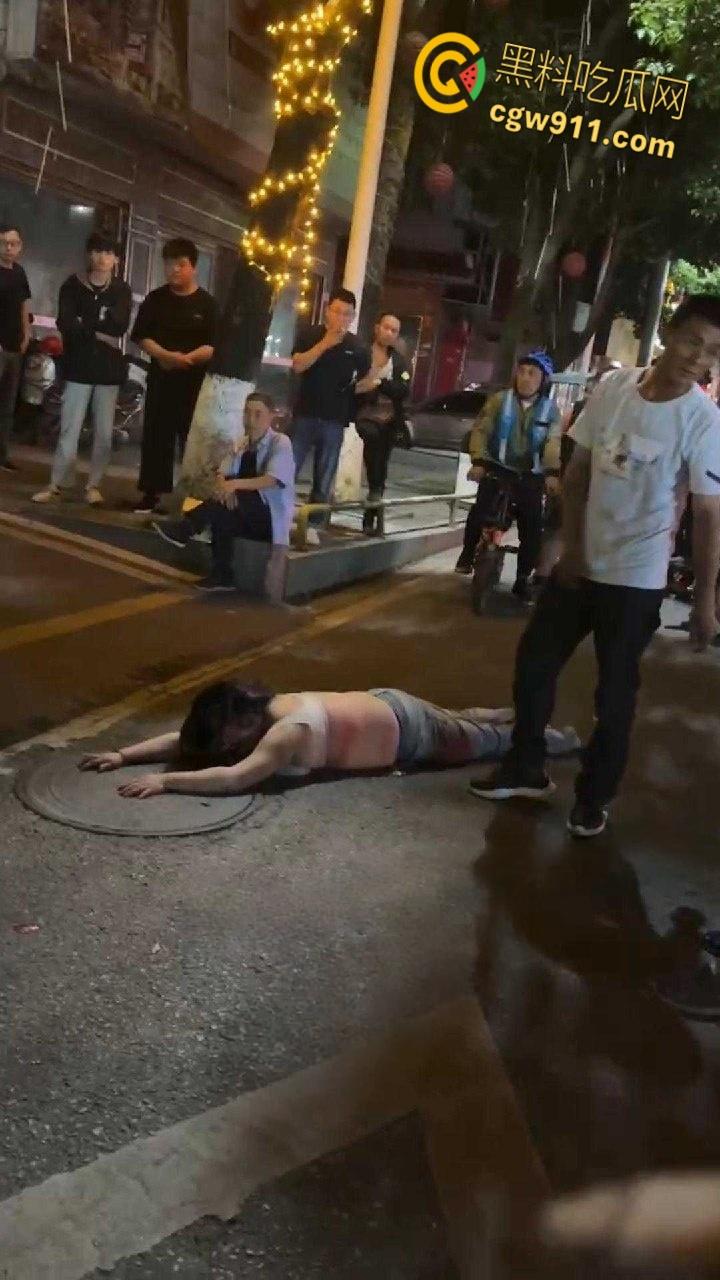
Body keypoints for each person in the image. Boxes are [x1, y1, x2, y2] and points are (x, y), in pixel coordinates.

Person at [471, 295, 720, 838]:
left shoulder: (703, 420)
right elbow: (579, 471)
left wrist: (705, 601)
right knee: (535, 662)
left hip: (637, 579)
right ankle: (526, 768)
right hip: (581, 564)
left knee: (615, 695)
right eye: (692, 342)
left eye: (712, 353)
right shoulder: (613, 389)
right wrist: (569, 544)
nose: (699, 359)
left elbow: (707, 514)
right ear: (668, 334)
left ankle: (593, 798)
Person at [79, 684, 579, 798]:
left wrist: (167, 783)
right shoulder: (264, 707)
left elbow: (235, 777)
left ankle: (558, 740)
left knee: (493, 742)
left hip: (411, 733)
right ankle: (506, 714)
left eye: (226, 737)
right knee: (464, 722)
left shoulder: (285, 733)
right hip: (389, 704)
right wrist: (123, 755)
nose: (223, 745)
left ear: (241, 723)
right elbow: (187, 741)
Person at [152, 391, 295, 592]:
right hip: (241, 512)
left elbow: (272, 479)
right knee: (222, 511)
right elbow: (222, 472)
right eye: (247, 413)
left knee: (230, 502)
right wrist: (224, 488)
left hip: (269, 518)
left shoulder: (280, 442)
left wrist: (233, 486)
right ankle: (222, 575)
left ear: (271, 416)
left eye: (258, 414)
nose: (251, 419)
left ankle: (186, 529)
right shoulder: (241, 443)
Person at [31, 232, 132, 506]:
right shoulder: (72, 285)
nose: (102, 258)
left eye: (108, 253)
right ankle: (57, 483)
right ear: (89, 254)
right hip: (77, 365)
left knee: (103, 433)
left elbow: (119, 326)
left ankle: (94, 485)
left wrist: (84, 323)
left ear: (116, 259)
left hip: (108, 370)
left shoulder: (121, 290)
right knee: (69, 429)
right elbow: (65, 323)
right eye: (97, 251)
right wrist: (97, 328)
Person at [454, 351, 562, 599]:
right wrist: (479, 462)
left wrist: (551, 473)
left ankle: (522, 577)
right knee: (479, 512)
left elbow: (552, 443)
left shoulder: (550, 411)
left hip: (530, 476)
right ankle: (467, 554)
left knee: (532, 529)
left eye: (532, 373)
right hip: (496, 468)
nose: (525, 378)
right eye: (521, 372)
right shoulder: (499, 401)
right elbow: (481, 431)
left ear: (543, 380)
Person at [131, 238, 218, 515]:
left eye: (181, 264)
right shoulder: (155, 299)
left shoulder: (207, 304)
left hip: (194, 384)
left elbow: (214, 344)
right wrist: (165, 356)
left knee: (192, 441)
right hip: (161, 377)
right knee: (156, 436)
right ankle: (152, 494)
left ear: (193, 267)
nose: (174, 270)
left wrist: (188, 358)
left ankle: (193, 497)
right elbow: (141, 336)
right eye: (169, 264)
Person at [290, 288, 370, 531]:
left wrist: (351, 392)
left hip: (335, 419)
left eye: (347, 314)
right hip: (305, 413)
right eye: (337, 311)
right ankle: (276, 515)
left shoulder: (357, 346)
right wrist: (325, 343)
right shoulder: (310, 334)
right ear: (327, 311)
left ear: (353, 317)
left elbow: (365, 380)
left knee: (324, 479)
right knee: (288, 468)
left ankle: (314, 525)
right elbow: (298, 365)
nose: (341, 318)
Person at [354, 312, 411, 535]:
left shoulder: (399, 360)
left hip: (388, 421)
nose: (389, 333)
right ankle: (374, 502)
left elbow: (403, 390)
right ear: (377, 328)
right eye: (386, 327)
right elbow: (354, 384)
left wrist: (379, 383)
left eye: (394, 330)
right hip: (363, 417)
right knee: (373, 453)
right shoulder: (362, 353)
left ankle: (373, 508)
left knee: (380, 466)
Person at [0, 222, 31, 472]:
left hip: (14, 347)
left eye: (13, 244)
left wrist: (26, 334)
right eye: (3, 243)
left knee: (8, 406)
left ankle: (2, 454)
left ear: (20, 247)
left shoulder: (19, 272)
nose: (8, 248)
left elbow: (24, 305)